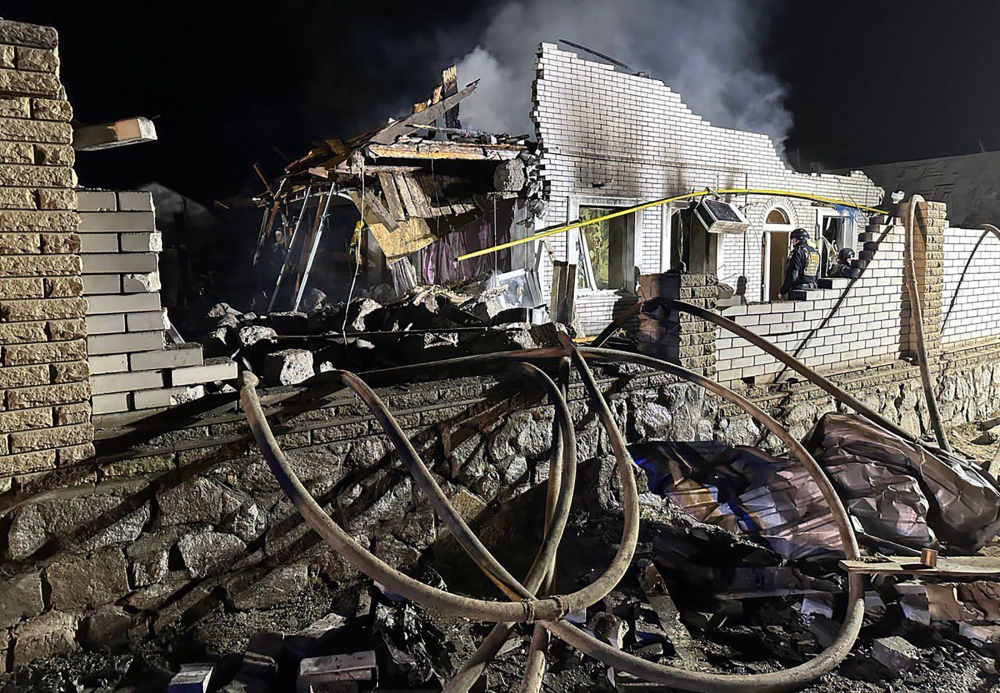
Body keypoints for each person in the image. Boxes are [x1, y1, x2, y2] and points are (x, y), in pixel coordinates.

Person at [778, 228, 820, 299]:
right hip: (812, 289)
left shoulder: (797, 252)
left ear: (796, 240)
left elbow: (792, 275)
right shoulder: (815, 252)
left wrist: (783, 291)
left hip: (799, 290)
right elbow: (818, 273)